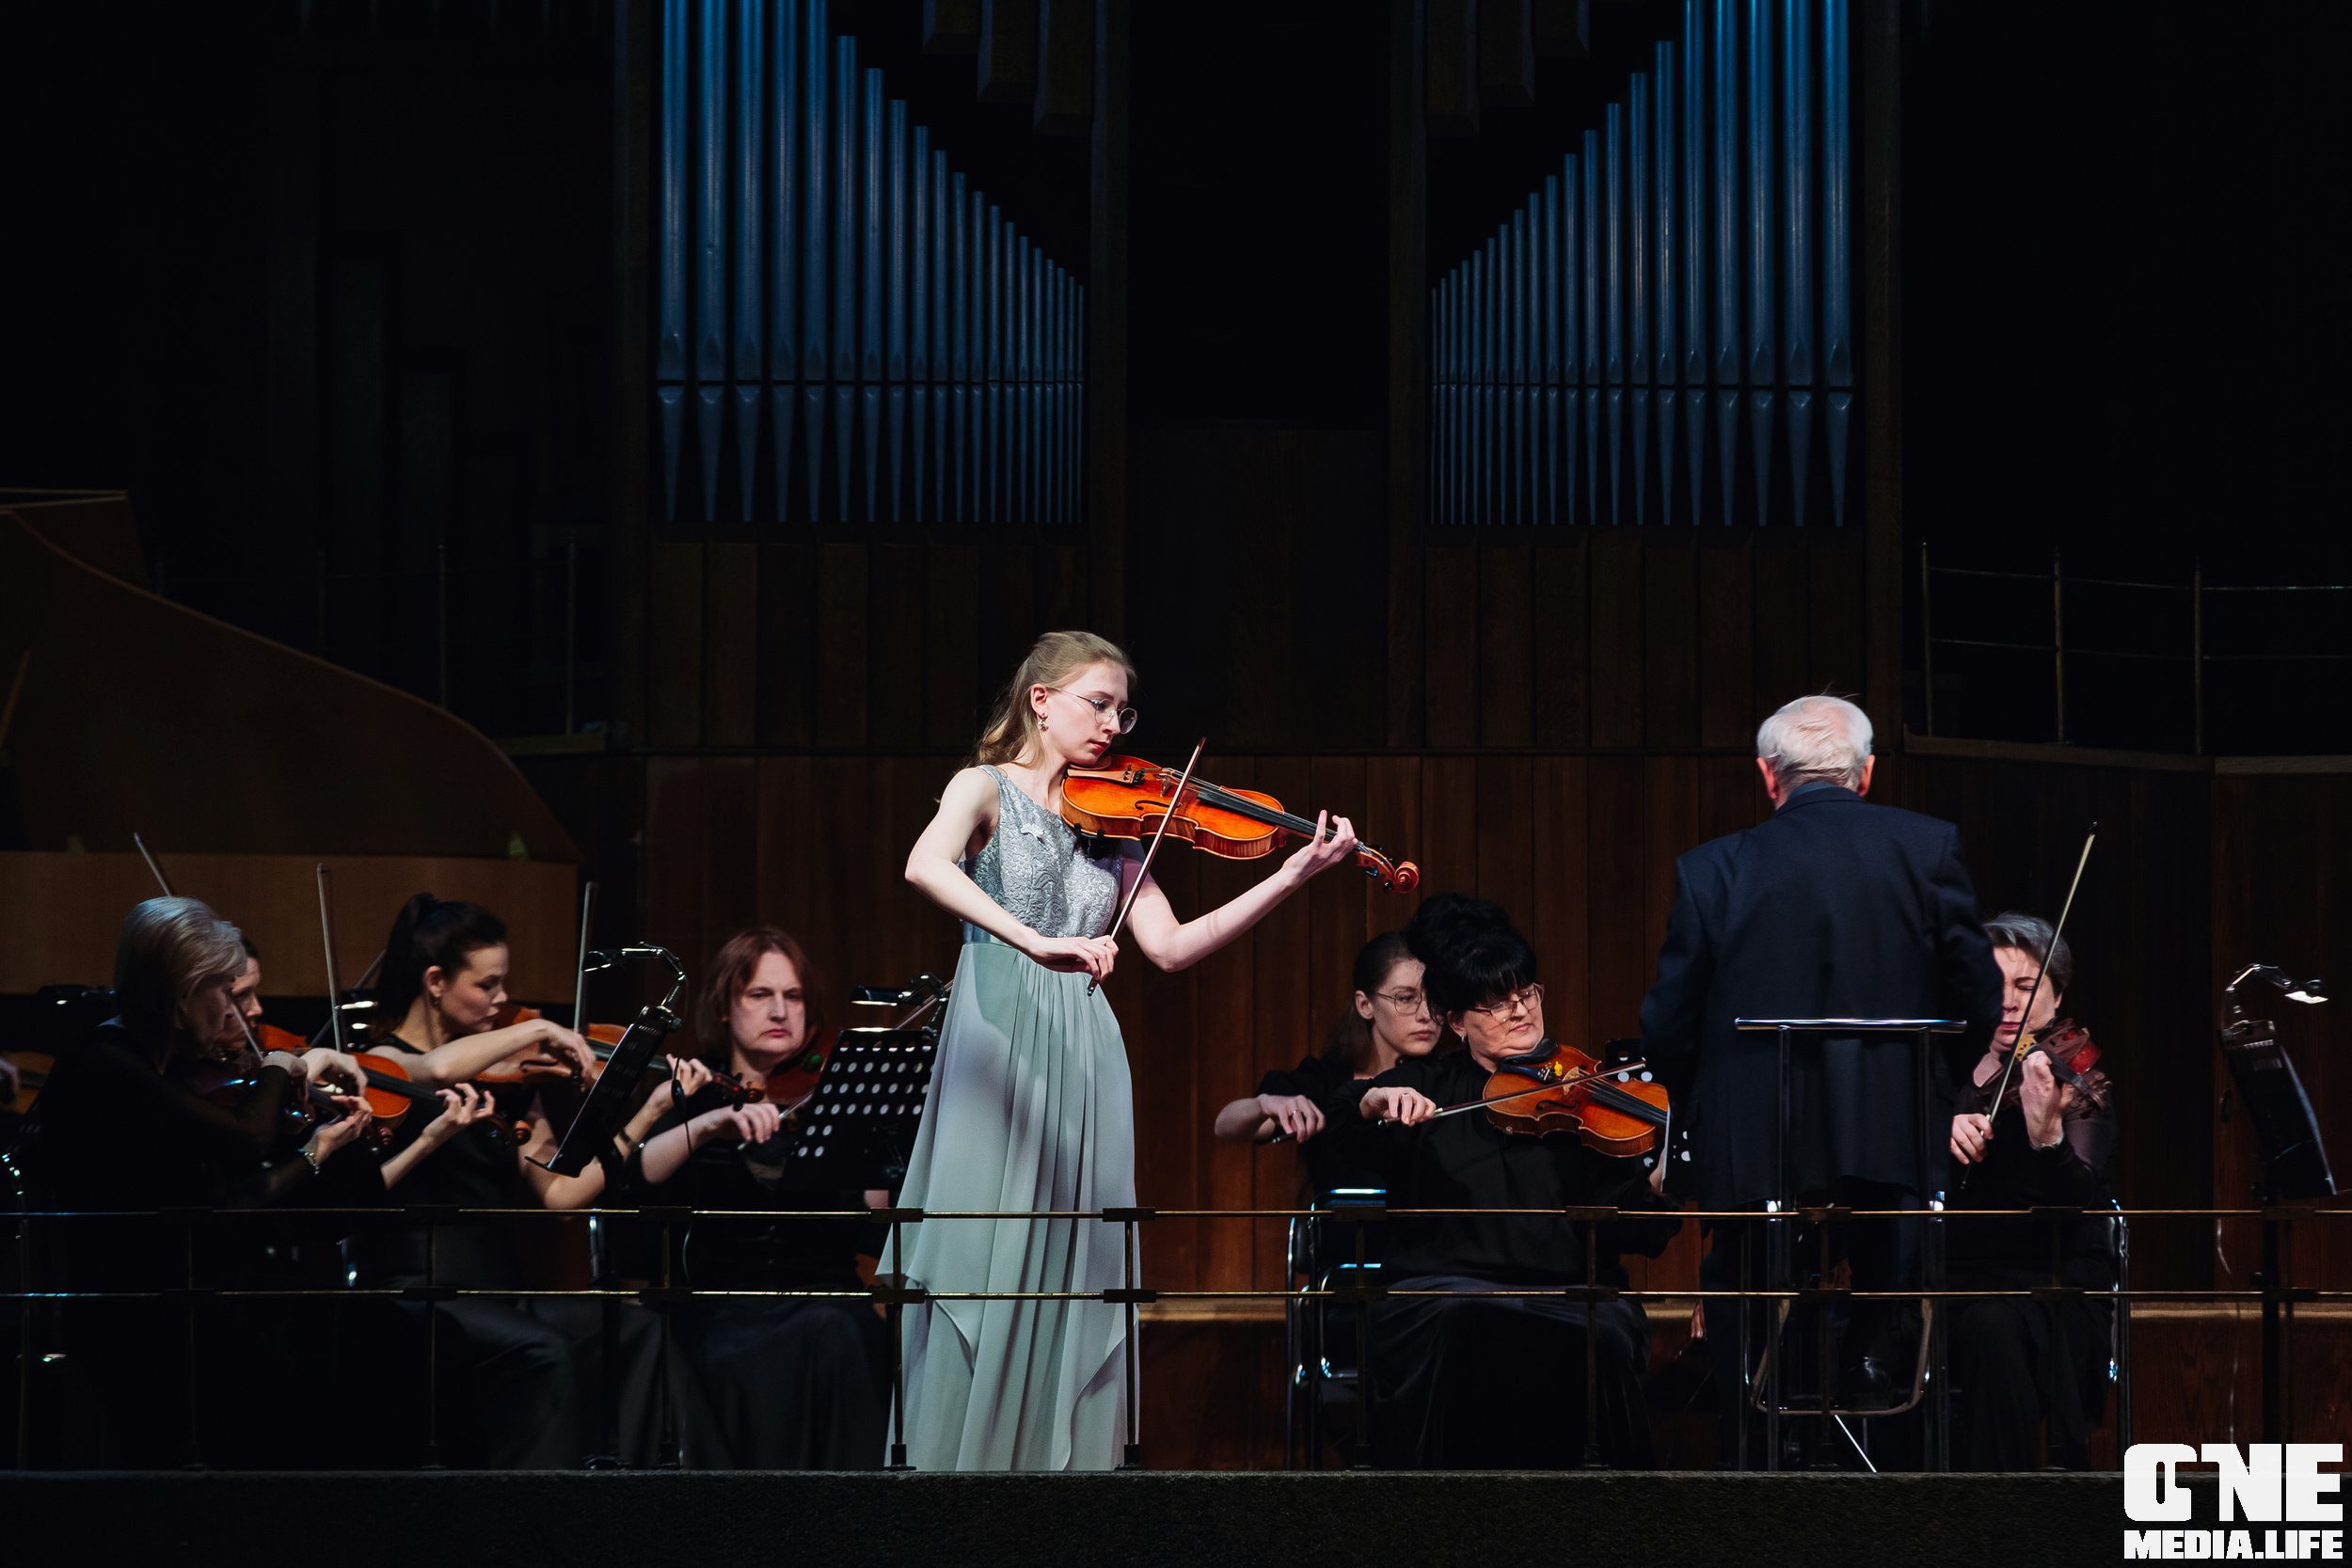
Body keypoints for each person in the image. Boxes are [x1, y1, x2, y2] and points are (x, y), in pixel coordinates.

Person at [888, 628, 1363, 1470]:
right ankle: (957, 1480)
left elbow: (1174, 946)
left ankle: (1055, 1479)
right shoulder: (982, 786)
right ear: (1042, 700)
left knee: (1073, 1262)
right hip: (998, 1030)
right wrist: (1032, 941)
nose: (1113, 723)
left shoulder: (1117, 825)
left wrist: (1295, 873)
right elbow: (925, 866)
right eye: (1095, 702)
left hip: (1085, 1052)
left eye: (1121, 708)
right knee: (985, 1260)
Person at [1637, 693, 2005, 1450]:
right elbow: (1979, 993)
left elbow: (1668, 1020)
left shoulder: (1711, 868)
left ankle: (1757, 1458)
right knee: (1891, 1279)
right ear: (1866, 773)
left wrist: (1700, 1107)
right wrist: (1935, 1088)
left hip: (1754, 1141)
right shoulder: (1929, 846)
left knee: (1746, 1294)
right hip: (1892, 1137)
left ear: (1769, 776)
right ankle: (1883, 1434)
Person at [23, 897, 381, 1465]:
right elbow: (245, 1139)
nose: (246, 1011)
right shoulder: (106, 1061)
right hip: (133, 1319)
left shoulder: (160, 1063)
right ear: (182, 995)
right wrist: (283, 1066)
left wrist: (320, 1146)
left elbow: (229, 1202)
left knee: (330, 1317)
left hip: (178, 1301)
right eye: (229, 993)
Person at [1327, 895, 1679, 1468]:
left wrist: (1660, 1182)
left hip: (1568, 1296)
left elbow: (1632, 1227)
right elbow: (1342, 1124)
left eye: (1525, 994)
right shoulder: (1426, 1084)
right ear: (1457, 1022)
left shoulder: (1583, 1095)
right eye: (1494, 1005)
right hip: (1440, 1293)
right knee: (1465, 1321)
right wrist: (1373, 1100)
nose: (1519, 1012)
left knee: (1607, 1335)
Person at [349, 894, 677, 1467]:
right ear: (435, 981)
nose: (502, 1001)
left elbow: (560, 1195)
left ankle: (627, 1504)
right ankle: (531, 1523)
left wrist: (648, 1111)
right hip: (421, 1297)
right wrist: (541, 1028)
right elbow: (442, 1068)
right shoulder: (385, 1065)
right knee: (543, 1352)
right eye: (487, 985)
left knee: (636, 1330)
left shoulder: (511, 1085)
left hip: (498, 1295)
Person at [628, 926, 892, 1468]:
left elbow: (875, 1224)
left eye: (793, 997)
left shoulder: (835, 1097)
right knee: (816, 1336)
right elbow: (638, 1177)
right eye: (760, 995)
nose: (780, 1011)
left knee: (849, 1328)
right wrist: (707, 1125)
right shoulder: (691, 1092)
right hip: (722, 1313)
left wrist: (876, 1142)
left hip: (825, 1304)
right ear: (725, 1007)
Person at [1945, 911, 2117, 1469]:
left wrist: (2049, 1138)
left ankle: (2008, 1509)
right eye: (1993, 985)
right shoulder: (1940, 1068)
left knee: (1993, 1328)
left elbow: (2076, 1200)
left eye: (2025, 986)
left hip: (2051, 1282)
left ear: (2057, 994)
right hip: (1954, 1277)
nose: (2008, 1002)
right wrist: (1938, 1132)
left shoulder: (2072, 1074)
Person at [1211, 931, 1440, 1195]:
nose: (1426, 1015)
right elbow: (1225, 1126)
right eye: (1406, 998)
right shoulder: (1325, 1080)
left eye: (1434, 999)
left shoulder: (1447, 1078)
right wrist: (1265, 1104)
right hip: (1341, 1233)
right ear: (1365, 1005)